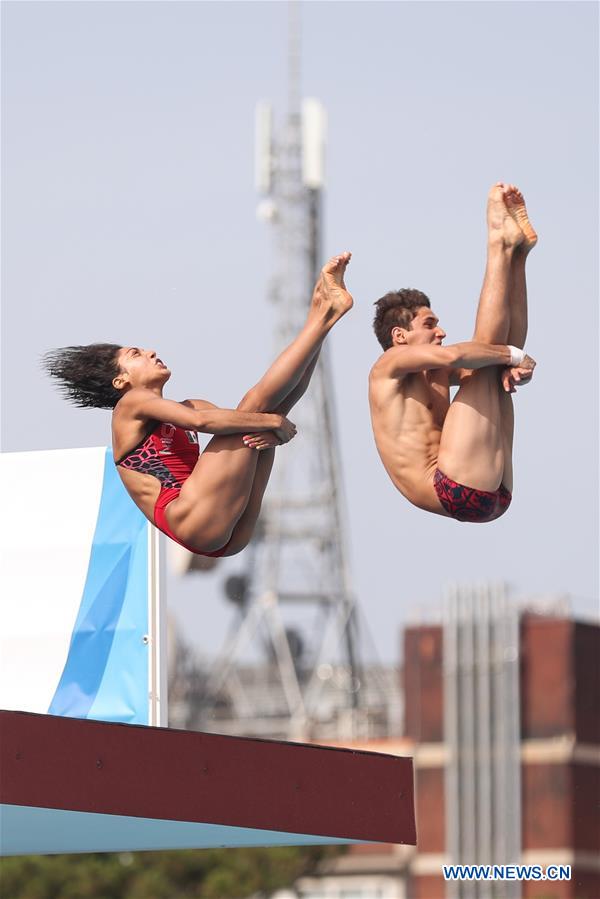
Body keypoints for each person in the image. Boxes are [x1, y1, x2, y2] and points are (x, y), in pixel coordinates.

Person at [45, 253, 353, 554]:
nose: (151, 352)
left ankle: (325, 317)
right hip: (191, 520)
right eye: (136, 354)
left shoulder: (191, 405)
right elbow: (203, 423)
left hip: (226, 527)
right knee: (255, 409)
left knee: (261, 412)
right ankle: (321, 315)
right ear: (120, 381)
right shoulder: (130, 404)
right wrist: (272, 424)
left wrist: (273, 427)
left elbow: (251, 417)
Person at [369, 184, 537, 523]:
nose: (441, 332)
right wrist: (512, 356)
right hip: (452, 488)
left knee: (490, 367)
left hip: (487, 488)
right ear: (400, 335)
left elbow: (484, 357)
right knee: (486, 353)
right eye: (429, 324)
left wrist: (512, 366)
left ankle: (518, 255)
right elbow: (454, 356)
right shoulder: (388, 365)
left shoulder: (435, 375)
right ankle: (498, 242)